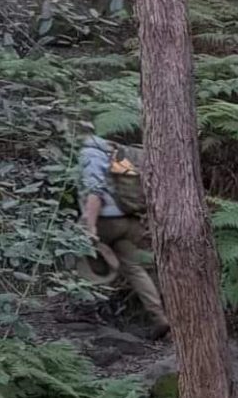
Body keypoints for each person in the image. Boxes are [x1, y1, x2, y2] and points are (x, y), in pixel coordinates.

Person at [77, 133, 169, 339]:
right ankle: (160, 317)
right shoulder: (114, 151)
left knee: (75, 255)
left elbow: (95, 191)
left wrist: (89, 227)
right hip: (128, 220)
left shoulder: (88, 153)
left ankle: (85, 311)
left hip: (106, 221)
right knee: (134, 268)